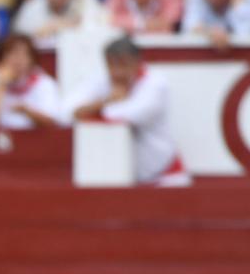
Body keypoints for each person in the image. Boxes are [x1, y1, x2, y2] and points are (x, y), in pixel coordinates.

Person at [68, 36, 187, 186]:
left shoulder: (156, 84)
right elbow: (71, 111)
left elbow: (131, 114)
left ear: (137, 62)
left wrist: (95, 109)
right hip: (122, 173)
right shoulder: (102, 80)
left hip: (165, 174)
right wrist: (105, 102)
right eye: (111, 65)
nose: (117, 71)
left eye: (123, 64)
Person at [0, 33, 63, 129]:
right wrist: (1, 85)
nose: (18, 59)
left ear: (32, 59)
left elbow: (53, 123)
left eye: (23, 54)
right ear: (2, 58)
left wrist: (27, 111)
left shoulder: (44, 84)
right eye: (12, 54)